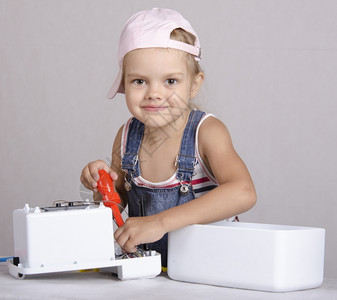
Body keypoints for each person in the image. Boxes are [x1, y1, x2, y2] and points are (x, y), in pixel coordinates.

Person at [80, 8, 256, 267]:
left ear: (194, 84)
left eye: (170, 81)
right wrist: (100, 184)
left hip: (211, 273)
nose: (154, 93)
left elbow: (244, 192)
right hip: (155, 275)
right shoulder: (126, 136)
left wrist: (160, 223)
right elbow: (115, 210)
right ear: (124, 84)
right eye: (139, 81)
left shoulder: (206, 132)